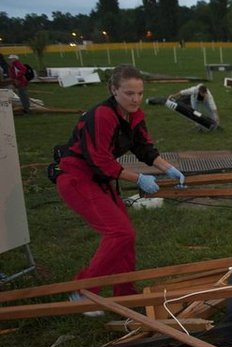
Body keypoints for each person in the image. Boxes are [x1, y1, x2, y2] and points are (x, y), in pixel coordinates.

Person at [55, 65, 186, 307]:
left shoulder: (135, 115)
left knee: (125, 235)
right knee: (119, 233)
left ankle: (124, 292)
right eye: (128, 93)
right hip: (77, 178)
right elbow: (99, 160)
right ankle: (83, 289)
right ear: (114, 90)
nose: (135, 99)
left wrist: (167, 168)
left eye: (139, 93)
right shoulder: (102, 115)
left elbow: (143, 147)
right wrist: (138, 178)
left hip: (99, 179)